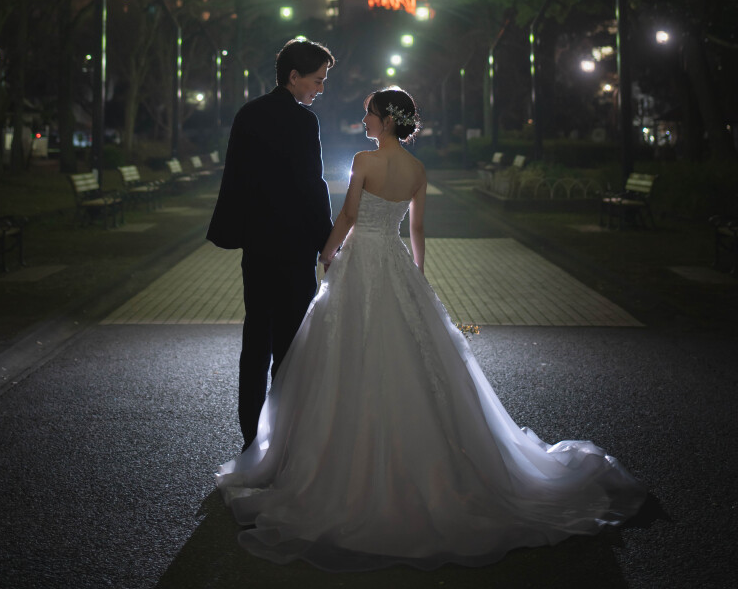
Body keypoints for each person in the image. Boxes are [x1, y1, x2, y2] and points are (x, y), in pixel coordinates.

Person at [215, 86, 646, 572]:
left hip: (361, 262)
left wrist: (327, 253)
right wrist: (416, 276)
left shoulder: (363, 160)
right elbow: (416, 231)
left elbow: (351, 216)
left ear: (385, 120)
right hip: (396, 261)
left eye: (369, 114)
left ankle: (328, 462)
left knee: (344, 352)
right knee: (412, 357)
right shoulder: (418, 171)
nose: (364, 121)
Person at [206, 37, 334, 448]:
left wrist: (235, 231)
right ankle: (283, 433)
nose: (319, 89)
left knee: (256, 338)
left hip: (259, 245)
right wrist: (326, 240)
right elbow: (312, 186)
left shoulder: (249, 114)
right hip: (295, 248)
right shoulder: (303, 122)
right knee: (292, 343)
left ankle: (250, 434)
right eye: (316, 80)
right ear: (293, 77)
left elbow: (235, 180)